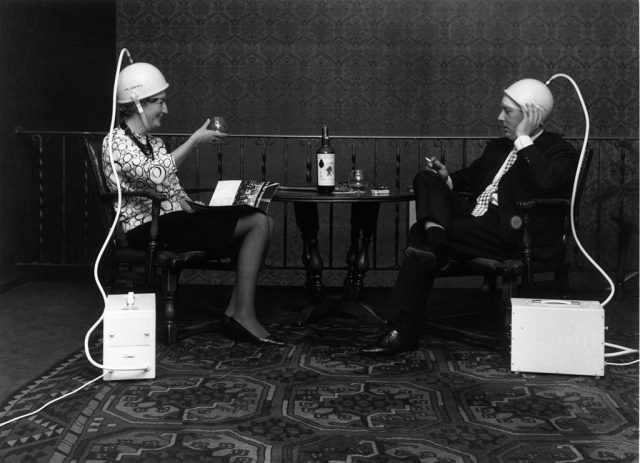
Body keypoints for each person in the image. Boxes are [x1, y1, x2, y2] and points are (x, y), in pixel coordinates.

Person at [360, 78, 578, 356]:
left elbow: (547, 183)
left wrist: (524, 139)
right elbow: (470, 178)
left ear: (532, 115)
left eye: (508, 112)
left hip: (511, 230)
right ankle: (437, 236)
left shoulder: (559, 151)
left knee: (419, 235)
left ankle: (404, 327)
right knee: (426, 178)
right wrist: (445, 179)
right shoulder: (497, 148)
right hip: (476, 219)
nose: (500, 117)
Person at [103, 62, 285, 347]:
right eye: (160, 103)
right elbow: (155, 174)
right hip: (145, 229)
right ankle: (243, 316)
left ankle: (234, 312)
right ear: (138, 105)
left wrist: (197, 205)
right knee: (258, 222)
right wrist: (195, 141)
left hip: (170, 222)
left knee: (263, 219)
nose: (165, 110)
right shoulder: (115, 143)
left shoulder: (155, 144)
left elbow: (172, 189)